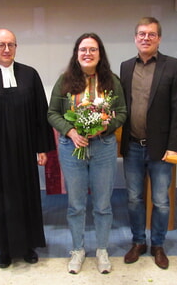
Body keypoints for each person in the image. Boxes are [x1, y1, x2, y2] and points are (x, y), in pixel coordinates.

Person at [0, 28, 55, 269]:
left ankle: (28, 245)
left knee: (27, 197)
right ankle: (4, 248)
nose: (6, 49)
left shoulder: (30, 74)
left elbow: (40, 113)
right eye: (1, 45)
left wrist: (42, 148)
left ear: (16, 47)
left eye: (11, 44)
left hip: (25, 151)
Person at [48, 33, 126, 274]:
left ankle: (102, 249)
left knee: (103, 204)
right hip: (72, 148)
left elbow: (122, 112)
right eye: (83, 49)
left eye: (93, 49)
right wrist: (70, 131)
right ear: (76, 53)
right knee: (76, 204)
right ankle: (78, 249)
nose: (87, 53)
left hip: (103, 147)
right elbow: (52, 113)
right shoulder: (65, 81)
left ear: (100, 53)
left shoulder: (111, 81)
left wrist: (107, 126)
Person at [119, 17, 177, 270]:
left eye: (151, 34)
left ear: (159, 38)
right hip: (133, 144)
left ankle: (158, 245)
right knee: (134, 198)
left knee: (160, 200)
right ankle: (138, 242)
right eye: (141, 34)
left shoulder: (173, 66)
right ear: (135, 38)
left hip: (161, 148)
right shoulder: (125, 67)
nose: (146, 38)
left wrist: (175, 146)